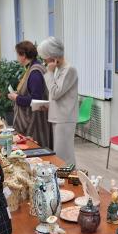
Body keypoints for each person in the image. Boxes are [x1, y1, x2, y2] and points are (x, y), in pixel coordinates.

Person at [37, 37, 78, 165]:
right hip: (58, 117)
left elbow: (55, 93)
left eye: (45, 58)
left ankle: (70, 176)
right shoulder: (58, 69)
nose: (44, 61)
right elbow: (58, 95)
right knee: (60, 154)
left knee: (64, 155)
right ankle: (65, 176)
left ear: (53, 56)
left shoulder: (69, 70)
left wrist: (49, 73)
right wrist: (48, 106)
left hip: (64, 118)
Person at [7, 41, 52, 149]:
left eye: (17, 54)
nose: (17, 58)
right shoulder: (34, 67)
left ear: (23, 55)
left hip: (34, 121)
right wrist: (19, 94)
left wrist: (17, 97)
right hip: (35, 118)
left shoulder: (35, 72)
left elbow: (36, 100)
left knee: (35, 149)